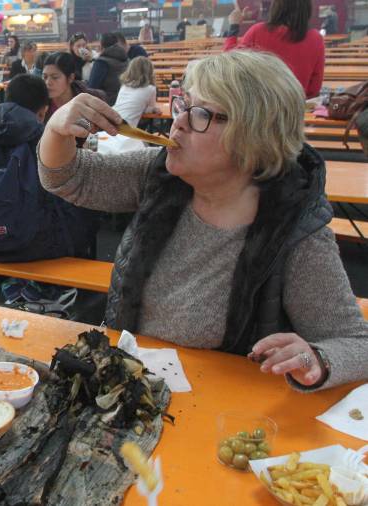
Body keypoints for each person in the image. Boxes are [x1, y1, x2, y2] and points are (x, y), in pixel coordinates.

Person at [38, 50, 368, 392]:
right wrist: (56, 130)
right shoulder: (160, 175)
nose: (177, 122)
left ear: (254, 136)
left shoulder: (294, 231)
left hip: (218, 407)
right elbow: (66, 177)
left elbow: (356, 344)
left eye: (202, 114)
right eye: (183, 105)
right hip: (132, 386)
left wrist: (316, 359)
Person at [0, 73, 98, 262]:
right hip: (30, 246)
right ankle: (60, 289)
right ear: (43, 112)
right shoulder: (42, 137)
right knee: (86, 215)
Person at [224, 0, 325, 98]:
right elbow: (314, 88)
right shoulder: (316, 38)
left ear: (276, 6)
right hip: (296, 108)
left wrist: (234, 25)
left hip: (260, 108)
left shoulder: (258, 31)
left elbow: (229, 63)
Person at [96, 56, 161, 154]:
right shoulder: (150, 88)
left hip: (111, 120)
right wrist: (154, 110)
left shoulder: (125, 86)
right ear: (150, 71)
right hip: (127, 129)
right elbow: (149, 109)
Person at [42, 52, 105, 124]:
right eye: (45, 77)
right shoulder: (39, 104)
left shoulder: (92, 99)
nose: (48, 82)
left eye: (55, 77)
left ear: (71, 78)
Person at [88, 32, 129, 106]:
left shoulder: (101, 63)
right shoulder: (126, 58)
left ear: (101, 47)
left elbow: (91, 88)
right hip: (125, 101)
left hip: (108, 104)